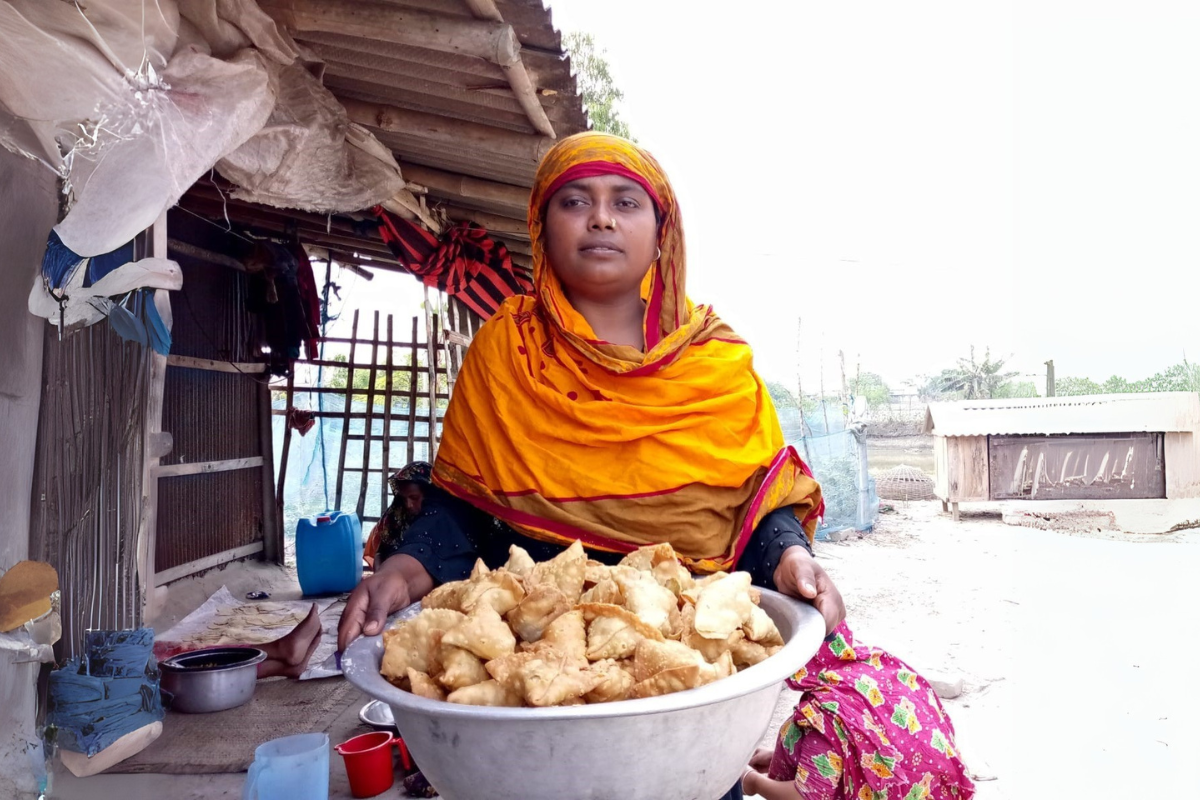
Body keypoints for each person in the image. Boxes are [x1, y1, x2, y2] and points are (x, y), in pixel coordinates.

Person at [338, 132, 847, 800]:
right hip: (534, 685)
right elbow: (465, 501)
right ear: (542, 229)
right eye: (574, 201)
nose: (601, 217)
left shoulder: (716, 363)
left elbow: (755, 502)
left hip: (687, 686)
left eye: (626, 202)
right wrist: (407, 569)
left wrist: (789, 558)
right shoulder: (506, 352)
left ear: (662, 231)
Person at [741, 623, 975, 800]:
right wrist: (776, 758)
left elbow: (806, 796)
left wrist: (750, 780)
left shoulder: (826, 715)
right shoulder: (879, 668)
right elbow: (854, 749)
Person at [363, 462, 435, 569]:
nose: (408, 505)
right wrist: (380, 574)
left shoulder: (443, 519)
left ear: (430, 494)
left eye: (414, 498)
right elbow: (381, 552)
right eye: (403, 498)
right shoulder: (396, 514)